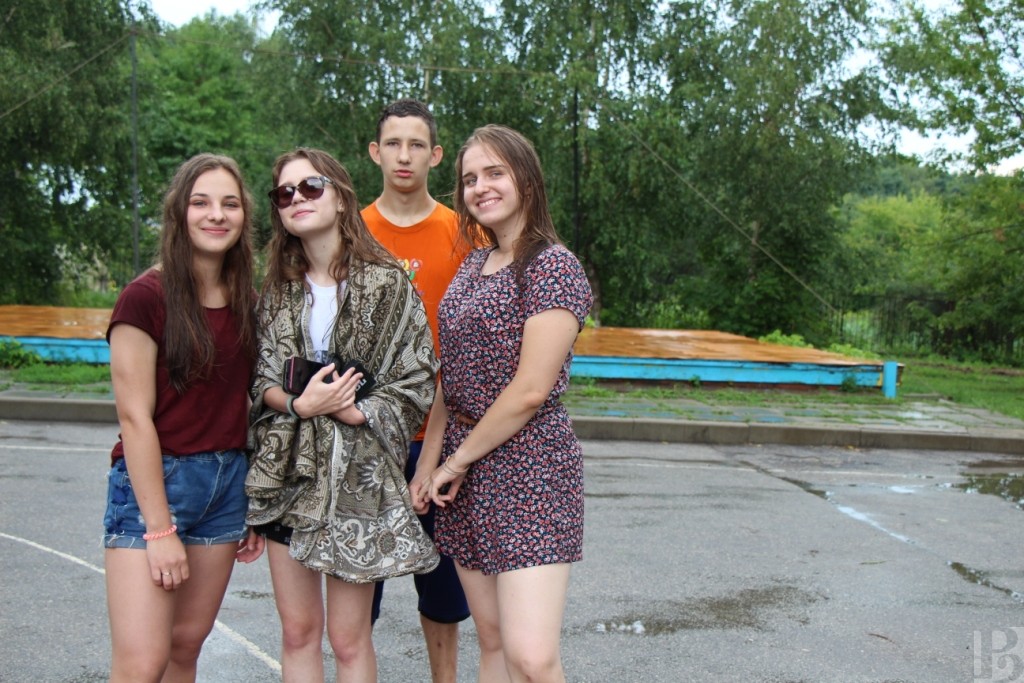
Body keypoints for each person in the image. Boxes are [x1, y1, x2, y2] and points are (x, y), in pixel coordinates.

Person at [246, 147, 440, 682]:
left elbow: (418, 374)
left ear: (340, 197)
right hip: (290, 474)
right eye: (284, 193)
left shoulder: (388, 283)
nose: (297, 199)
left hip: (359, 478)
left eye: (310, 187)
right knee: (298, 632)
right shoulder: (277, 291)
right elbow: (258, 380)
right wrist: (299, 404)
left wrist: (361, 411)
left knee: (349, 638)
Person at [417, 125, 594, 683]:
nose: (480, 187)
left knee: (532, 658)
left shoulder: (552, 266)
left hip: (530, 465)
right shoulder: (473, 264)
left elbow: (531, 389)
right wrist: (429, 464)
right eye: (470, 178)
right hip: (466, 467)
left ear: (527, 179)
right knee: (492, 641)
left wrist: (455, 461)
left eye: (494, 173)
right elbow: (452, 375)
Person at [103, 153, 265, 683]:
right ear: (179, 212)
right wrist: (159, 529)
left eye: (229, 204)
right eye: (201, 202)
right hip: (156, 487)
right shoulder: (144, 298)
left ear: (243, 217)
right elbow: (134, 418)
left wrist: (253, 502)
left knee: (185, 647)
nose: (216, 215)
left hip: (226, 487)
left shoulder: (246, 301)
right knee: (143, 661)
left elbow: (247, 404)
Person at [362, 98, 470, 683]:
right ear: (375, 153)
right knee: (359, 593)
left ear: (436, 155)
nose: (404, 156)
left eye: (416, 145)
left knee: (445, 594)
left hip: (443, 438)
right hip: (366, 439)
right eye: (393, 144)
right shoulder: (351, 230)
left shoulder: (464, 232)